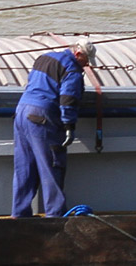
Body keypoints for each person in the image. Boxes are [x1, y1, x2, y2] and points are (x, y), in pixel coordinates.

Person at [12, 40, 94, 217]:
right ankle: (54, 216)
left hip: (21, 112)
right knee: (51, 166)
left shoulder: (44, 58)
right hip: (43, 117)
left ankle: (19, 215)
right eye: (85, 61)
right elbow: (68, 99)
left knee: (24, 167)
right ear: (77, 54)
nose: (86, 65)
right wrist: (69, 126)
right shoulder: (72, 69)